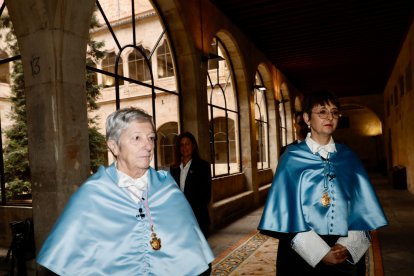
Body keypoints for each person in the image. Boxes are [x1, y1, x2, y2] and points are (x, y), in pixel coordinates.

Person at [36, 107, 214, 276]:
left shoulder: (167, 188)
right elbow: (61, 265)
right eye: (137, 138)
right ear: (114, 146)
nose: (148, 146)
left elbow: (198, 260)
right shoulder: (92, 194)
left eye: (151, 138)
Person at [258, 91, 388, 275]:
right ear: (306, 118)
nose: (330, 117)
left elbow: (363, 209)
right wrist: (320, 253)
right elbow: (285, 212)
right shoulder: (291, 158)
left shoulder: (349, 156)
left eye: (334, 112)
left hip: (344, 247)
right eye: (322, 112)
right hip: (301, 250)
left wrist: (346, 246)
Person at [170, 132, 212, 239]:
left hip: (197, 218)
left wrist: (187, 209)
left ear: (193, 146)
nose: (184, 148)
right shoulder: (173, 168)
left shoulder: (203, 166)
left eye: (187, 144)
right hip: (178, 220)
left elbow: (206, 196)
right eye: (181, 145)